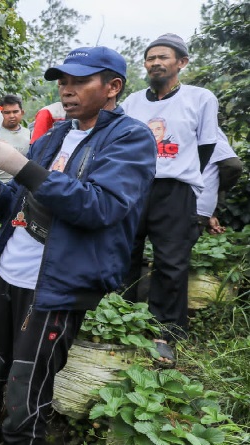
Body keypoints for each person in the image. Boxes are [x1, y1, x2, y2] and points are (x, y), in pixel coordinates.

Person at [0, 46, 156, 445]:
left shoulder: (131, 138)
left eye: (80, 81)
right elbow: (18, 207)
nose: (66, 89)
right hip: (9, 269)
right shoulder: (55, 135)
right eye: (63, 81)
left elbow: (100, 206)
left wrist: (18, 165)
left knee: (27, 388)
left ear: (113, 86)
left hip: (56, 284)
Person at [120, 33, 220, 367]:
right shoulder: (132, 102)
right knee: (124, 253)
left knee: (171, 261)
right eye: (150, 58)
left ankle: (164, 333)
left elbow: (207, 147)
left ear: (181, 62)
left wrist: (182, 173)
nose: (156, 63)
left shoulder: (199, 98)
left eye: (164, 57)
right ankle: (121, 318)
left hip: (175, 190)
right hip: (135, 188)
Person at [196, 129, 244, 235]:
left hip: (158, 201)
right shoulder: (206, 127)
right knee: (176, 250)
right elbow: (233, 165)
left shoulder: (158, 123)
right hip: (196, 205)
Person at [0, 94, 31, 182]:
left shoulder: (29, 134)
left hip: (20, 186)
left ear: (22, 113)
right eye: (7, 112)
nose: (12, 116)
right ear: (0, 114)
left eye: (15, 112)